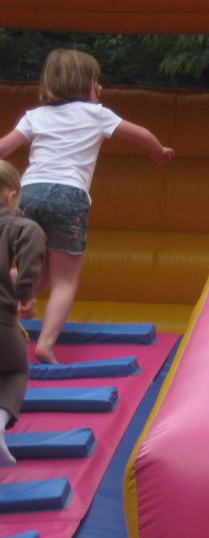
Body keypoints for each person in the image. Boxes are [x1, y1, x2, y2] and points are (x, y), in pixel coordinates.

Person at [0, 48, 174, 363]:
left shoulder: (35, 116)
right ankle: (46, 344)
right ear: (84, 85)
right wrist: (158, 151)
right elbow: (141, 134)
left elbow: (4, 147)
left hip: (30, 194)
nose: (101, 89)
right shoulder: (97, 114)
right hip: (68, 198)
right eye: (97, 82)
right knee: (65, 279)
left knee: (37, 274)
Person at [0, 161, 46, 465]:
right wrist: (27, 293)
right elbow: (30, 234)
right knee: (15, 370)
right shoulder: (12, 224)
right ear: (10, 196)